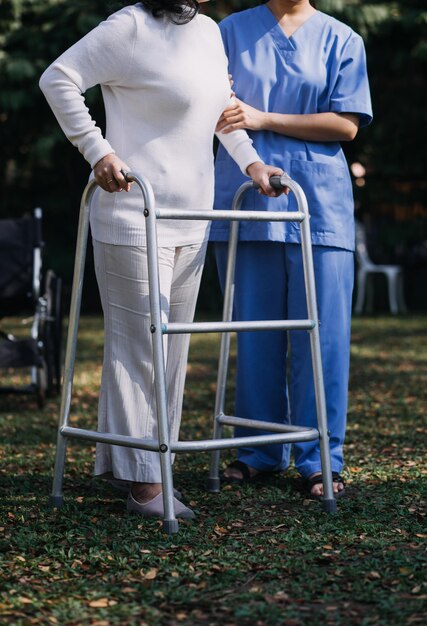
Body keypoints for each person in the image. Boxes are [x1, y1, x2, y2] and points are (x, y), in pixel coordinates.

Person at [39, 0, 284, 519]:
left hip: (194, 215)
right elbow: (58, 78)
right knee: (139, 348)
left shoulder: (208, 31)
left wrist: (253, 164)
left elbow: (220, 113)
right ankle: (145, 486)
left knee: (171, 351)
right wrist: (99, 152)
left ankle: (149, 466)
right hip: (133, 211)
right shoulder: (128, 27)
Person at [211, 0, 373, 498]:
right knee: (254, 334)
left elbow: (346, 125)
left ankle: (321, 458)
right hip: (243, 200)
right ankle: (258, 452)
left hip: (318, 205)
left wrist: (263, 118)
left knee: (321, 338)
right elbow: (211, 106)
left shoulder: (341, 38)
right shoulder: (227, 32)